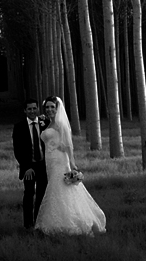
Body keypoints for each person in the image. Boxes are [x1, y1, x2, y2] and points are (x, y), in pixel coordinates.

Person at [33, 96, 106, 235]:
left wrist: (72, 164)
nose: (49, 110)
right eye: (47, 107)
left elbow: (68, 145)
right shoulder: (47, 123)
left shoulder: (61, 123)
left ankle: (69, 222)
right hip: (50, 161)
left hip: (60, 160)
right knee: (56, 187)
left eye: (52, 107)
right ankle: (59, 219)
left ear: (57, 108)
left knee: (60, 187)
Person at [12, 99, 48, 230]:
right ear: (25, 111)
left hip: (43, 166)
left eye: (34, 108)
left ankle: (39, 222)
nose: (32, 111)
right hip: (29, 167)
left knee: (42, 194)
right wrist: (26, 167)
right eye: (29, 109)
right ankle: (28, 224)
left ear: (38, 109)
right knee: (29, 194)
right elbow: (18, 150)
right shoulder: (19, 127)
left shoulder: (45, 124)